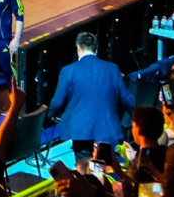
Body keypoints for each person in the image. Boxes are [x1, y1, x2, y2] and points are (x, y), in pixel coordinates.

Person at [46, 30, 132, 162]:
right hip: (108, 130)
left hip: (81, 133)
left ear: (78, 47)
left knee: (85, 171)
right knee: (108, 169)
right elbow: (127, 100)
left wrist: (49, 115)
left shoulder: (68, 71)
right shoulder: (112, 69)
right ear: (96, 49)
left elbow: (57, 102)